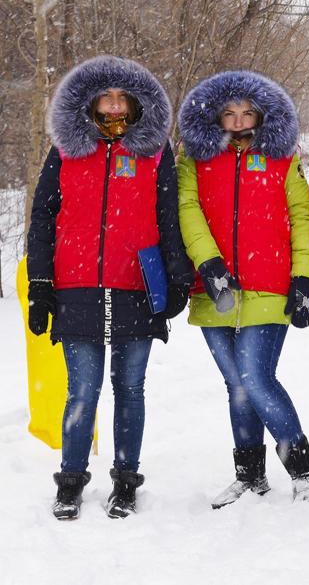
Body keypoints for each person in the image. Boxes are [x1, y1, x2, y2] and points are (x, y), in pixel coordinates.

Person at [27, 55, 192, 520]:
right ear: (92, 101)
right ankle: (71, 480)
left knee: (130, 389)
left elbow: (168, 219)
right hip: (75, 285)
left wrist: (178, 277)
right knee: (81, 391)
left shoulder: (156, 152)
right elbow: (42, 218)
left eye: (123, 97)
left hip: (134, 285)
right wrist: (41, 284)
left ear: (136, 102)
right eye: (107, 96)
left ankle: (125, 480)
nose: (115, 105)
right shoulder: (65, 150)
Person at [177, 70, 309, 507]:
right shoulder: (194, 159)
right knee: (237, 386)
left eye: (247, 112)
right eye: (229, 113)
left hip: (270, 285)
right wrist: (208, 263)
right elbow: (187, 209)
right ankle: (250, 475)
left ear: (262, 115)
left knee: (255, 378)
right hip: (214, 286)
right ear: (215, 116)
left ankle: (305, 469)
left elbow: (302, 217)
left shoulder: (282, 158)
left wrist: (304, 277)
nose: (239, 121)